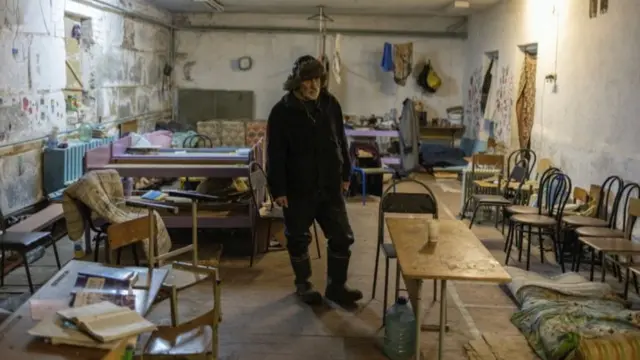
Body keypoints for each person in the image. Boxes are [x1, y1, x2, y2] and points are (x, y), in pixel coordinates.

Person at [266, 55, 362, 307]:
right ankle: (304, 284)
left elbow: (341, 140)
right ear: (296, 82)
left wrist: (345, 174)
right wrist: (278, 189)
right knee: (297, 237)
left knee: (342, 236)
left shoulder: (330, 104)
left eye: (317, 79)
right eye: (307, 80)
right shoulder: (281, 111)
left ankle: (336, 287)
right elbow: (275, 153)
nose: (313, 85)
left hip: (330, 185)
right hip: (298, 188)